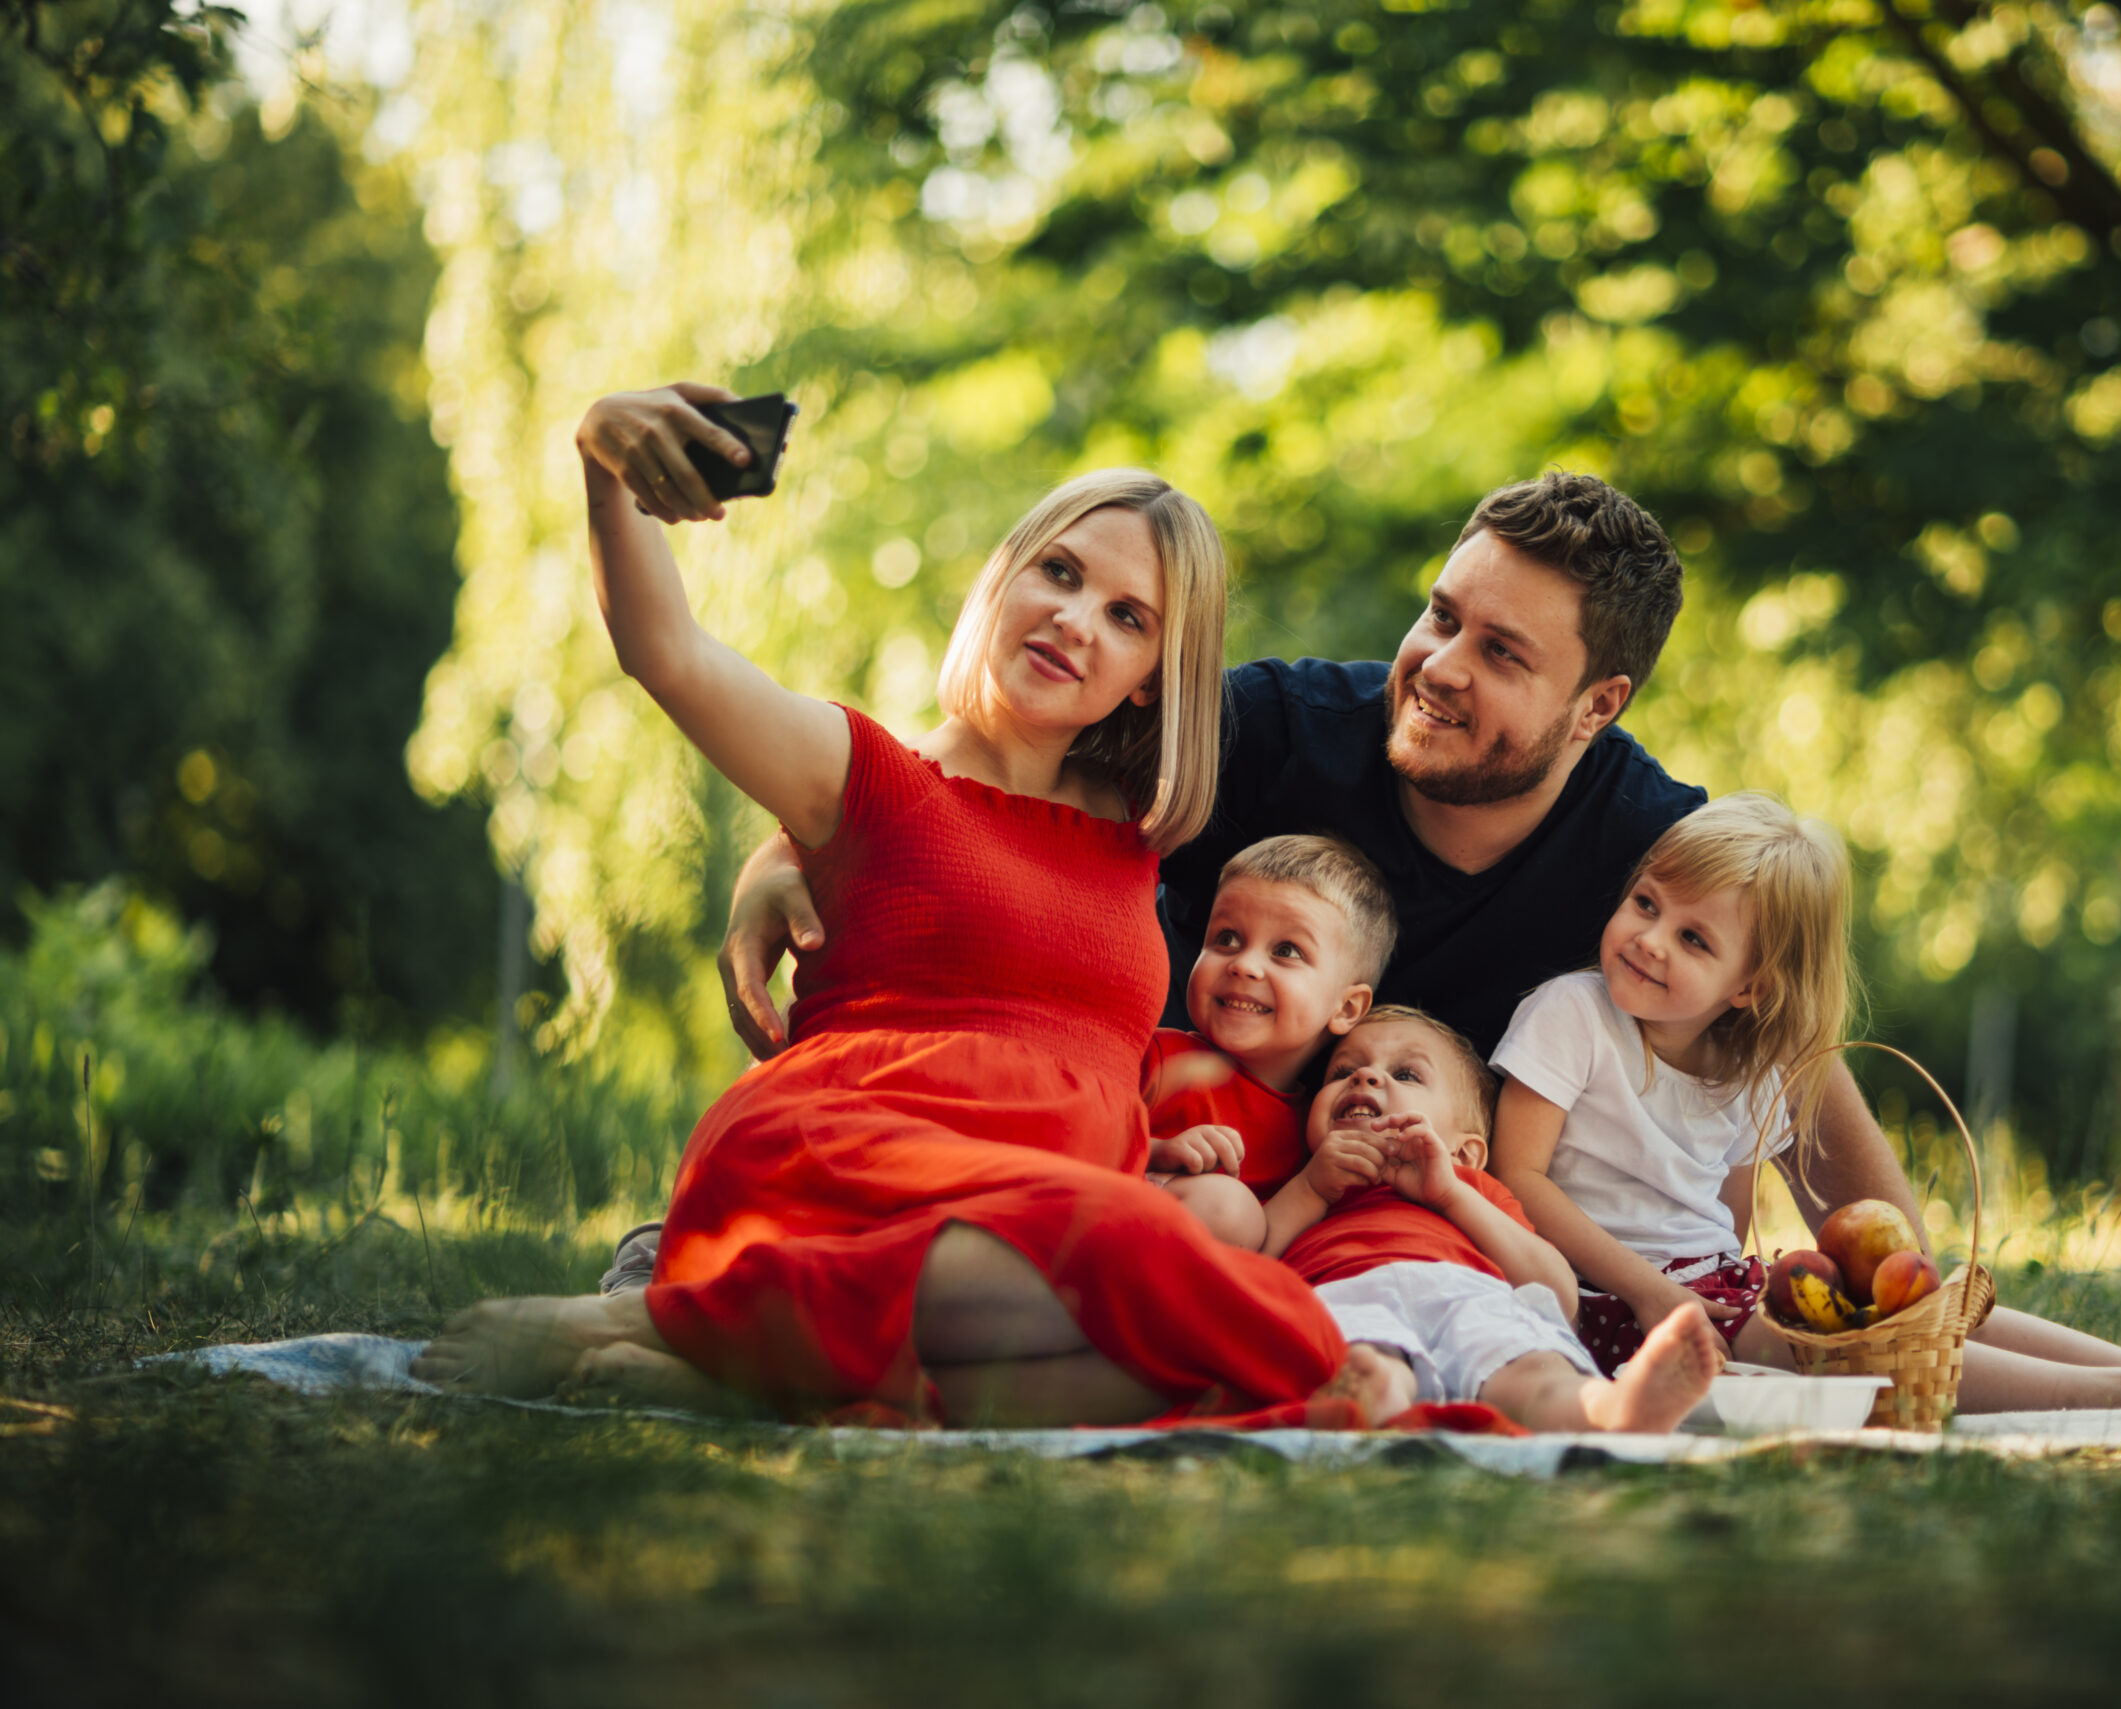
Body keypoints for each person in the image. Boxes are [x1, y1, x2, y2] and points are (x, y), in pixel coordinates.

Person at [413, 381, 1406, 1427]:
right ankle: (672, 1321)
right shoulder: (864, 770)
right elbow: (671, 654)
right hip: (843, 1158)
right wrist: (604, 464)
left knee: (1188, 1317)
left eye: (1126, 617)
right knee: (1207, 1292)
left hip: (1027, 1224)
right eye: (1058, 573)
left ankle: (747, 1361)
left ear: (1154, 676)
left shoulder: (1144, 826)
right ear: (1004, 577)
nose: (1074, 621)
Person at [709, 470, 1934, 1267]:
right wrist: (787, 848)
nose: (1440, 662)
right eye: (1440, 614)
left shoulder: (1644, 850)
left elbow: (1780, 1036)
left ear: (1593, 706)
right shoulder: (1269, 730)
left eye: (1501, 651)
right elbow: (980, 770)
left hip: (1414, 1213)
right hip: (1185, 1162)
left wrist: (1896, 1267)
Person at [1491, 793, 2121, 1413]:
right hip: (1608, 1298)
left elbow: (1725, 1223)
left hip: (1710, 1285)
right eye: (1646, 903)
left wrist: (1748, 1283)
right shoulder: (1572, 1016)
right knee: (1854, 1357)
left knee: (1912, 1303)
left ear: (1750, 987)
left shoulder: (1748, 1071)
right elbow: (1519, 1179)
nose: (1650, 938)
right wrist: (1650, 1288)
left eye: (1695, 939)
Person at [1262, 1008, 1726, 1432]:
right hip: (1346, 1295)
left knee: (1531, 1367)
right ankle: (1376, 1396)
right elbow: (1254, 1266)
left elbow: (1559, 1294)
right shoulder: (1304, 1185)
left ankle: (1606, 1411)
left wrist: (1452, 1194)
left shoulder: (1471, 1190)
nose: (1364, 1076)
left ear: (1464, 1152)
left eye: (1405, 1073)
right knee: (1362, 1357)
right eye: (1342, 1071)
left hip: (1469, 1297)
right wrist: (1311, 1187)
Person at [1136, 833, 1395, 1251]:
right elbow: (1077, 1134)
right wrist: (1157, 1150)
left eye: (1287, 950)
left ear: (1346, 1008)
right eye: (1226, 938)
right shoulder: (1158, 1056)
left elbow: (1267, 1250)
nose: (1244, 964)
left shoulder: (1315, 1134)